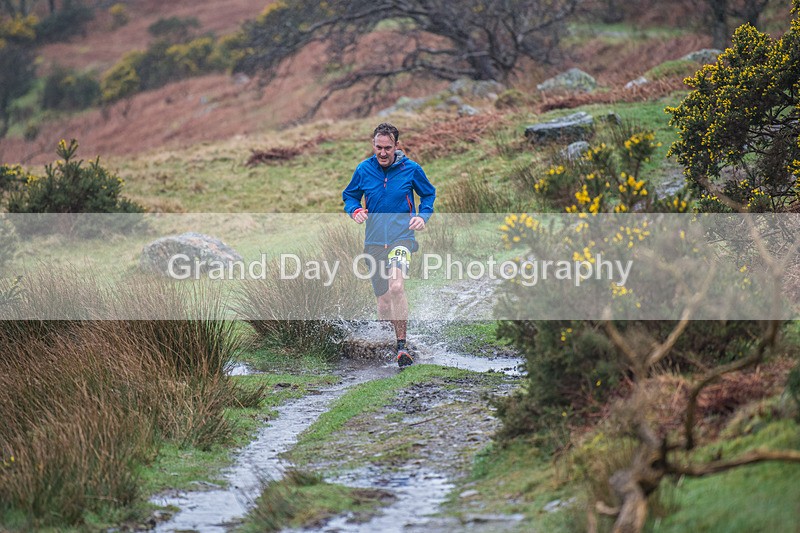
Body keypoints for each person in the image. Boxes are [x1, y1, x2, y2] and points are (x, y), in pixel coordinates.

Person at [343, 123, 436, 367]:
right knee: (383, 302)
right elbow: (349, 195)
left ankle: (402, 347)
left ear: (396, 146)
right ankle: (386, 345)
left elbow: (428, 194)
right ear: (373, 146)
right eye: (378, 148)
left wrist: (422, 216)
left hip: (401, 239)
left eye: (387, 148)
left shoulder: (411, 169)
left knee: (396, 288)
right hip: (373, 242)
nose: (383, 153)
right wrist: (354, 210)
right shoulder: (364, 169)